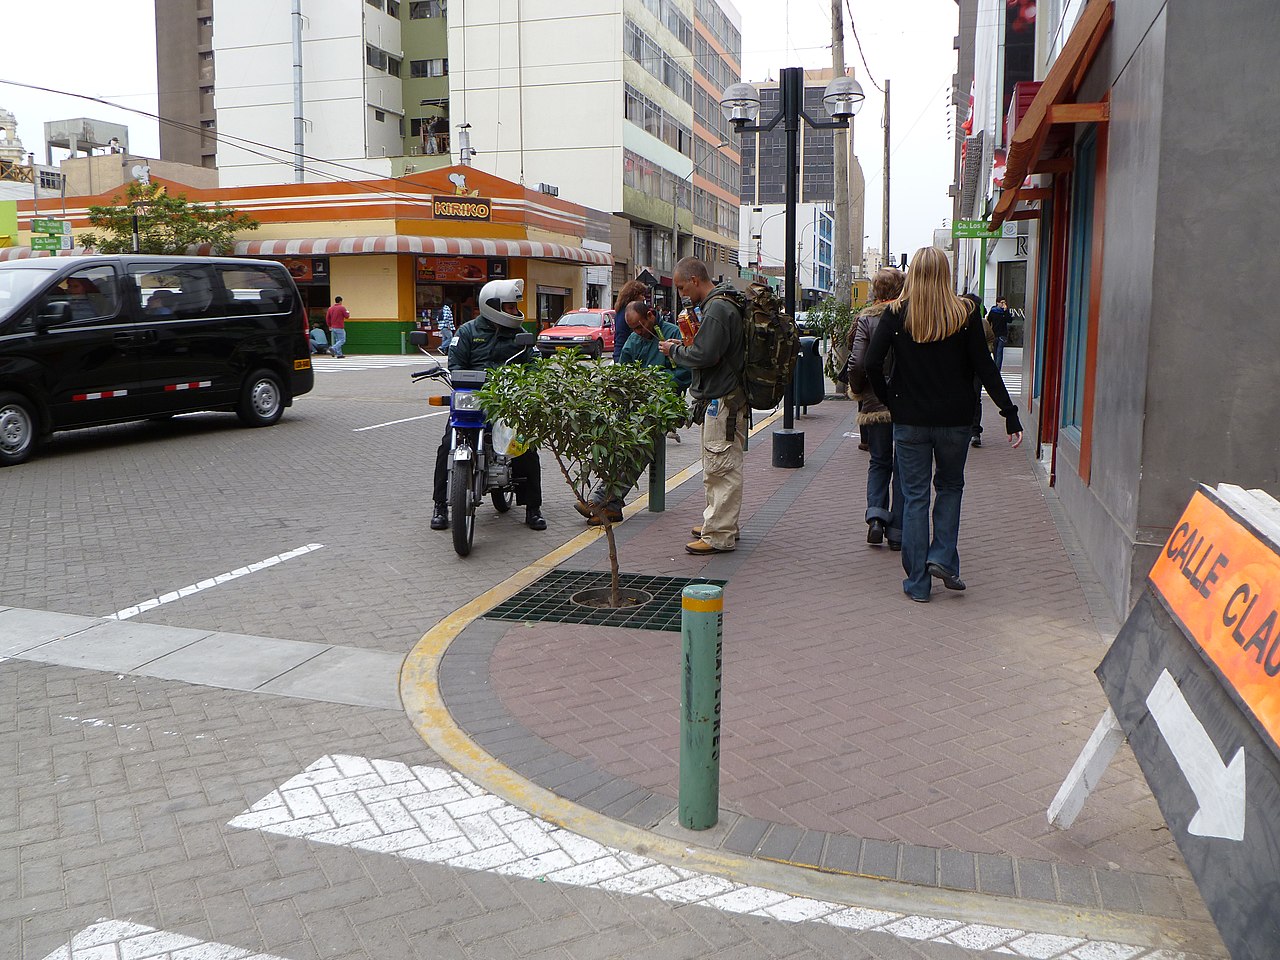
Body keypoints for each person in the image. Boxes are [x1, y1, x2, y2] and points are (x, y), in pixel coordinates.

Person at [865, 246, 1023, 603]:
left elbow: (872, 364)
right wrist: (1009, 414)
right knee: (950, 487)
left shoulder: (896, 314)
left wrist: (891, 401)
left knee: (916, 497)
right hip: (955, 420)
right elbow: (985, 368)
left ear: (915, 274)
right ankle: (942, 559)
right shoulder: (965, 314)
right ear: (945, 275)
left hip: (910, 421)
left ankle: (918, 583)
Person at [430, 278, 546, 532]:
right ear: (493, 306)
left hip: (507, 399)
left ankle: (532, 507)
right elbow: (456, 364)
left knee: (524, 447)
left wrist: (529, 380)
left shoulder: (520, 334)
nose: (515, 311)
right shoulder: (468, 332)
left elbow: (534, 363)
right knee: (446, 444)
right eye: (510, 307)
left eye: (515, 307)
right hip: (472, 400)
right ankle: (440, 504)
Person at [659, 257, 746, 555]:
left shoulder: (718, 308)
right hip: (724, 395)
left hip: (724, 398)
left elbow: (705, 354)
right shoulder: (717, 304)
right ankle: (720, 522)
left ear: (695, 280)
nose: (681, 293)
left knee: (721, 466)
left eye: (682, 286)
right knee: (717, 463)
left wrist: (675, 351)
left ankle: (719, 534)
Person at [576, 300, 691, 524]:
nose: (638, 332)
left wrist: (654, 382)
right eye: (633, 329)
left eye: (640, 327)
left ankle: (601, 500)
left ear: (650, 315)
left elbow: (684, 374)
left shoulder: (672, 334)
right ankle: (610, 505)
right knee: (617, 444)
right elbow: (624, 371)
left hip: (661, 407)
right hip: (634, 404)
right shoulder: (635, 338)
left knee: (638, 449)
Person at [847, 267, 906, 551]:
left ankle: (876, 519)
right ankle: (898, 530)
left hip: (875, 401)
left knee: (879, 461)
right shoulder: (908, 315)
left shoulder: (865, 319)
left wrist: (858, 390)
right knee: (905, 465)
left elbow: (857, 362)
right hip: (907, 400)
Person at [611, 278, 648, 363]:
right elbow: (621, 337)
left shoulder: (621, 312)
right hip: (626, 356)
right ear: (634, 295)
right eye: (641, 295)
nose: (643, 298)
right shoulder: (626, 314)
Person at [987, 297, 1010, 371]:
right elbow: (989, 321)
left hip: (1002, 334)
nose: (1003, 304)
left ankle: (997, 370)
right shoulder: (993, 311)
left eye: (1004, 302)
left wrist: (1006, 311)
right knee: (995, 352)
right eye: (1002, 302)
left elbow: (1009, 320)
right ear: (997, 303)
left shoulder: (1005, 311)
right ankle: (995, 368)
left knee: (999, 352)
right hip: (994, 334)